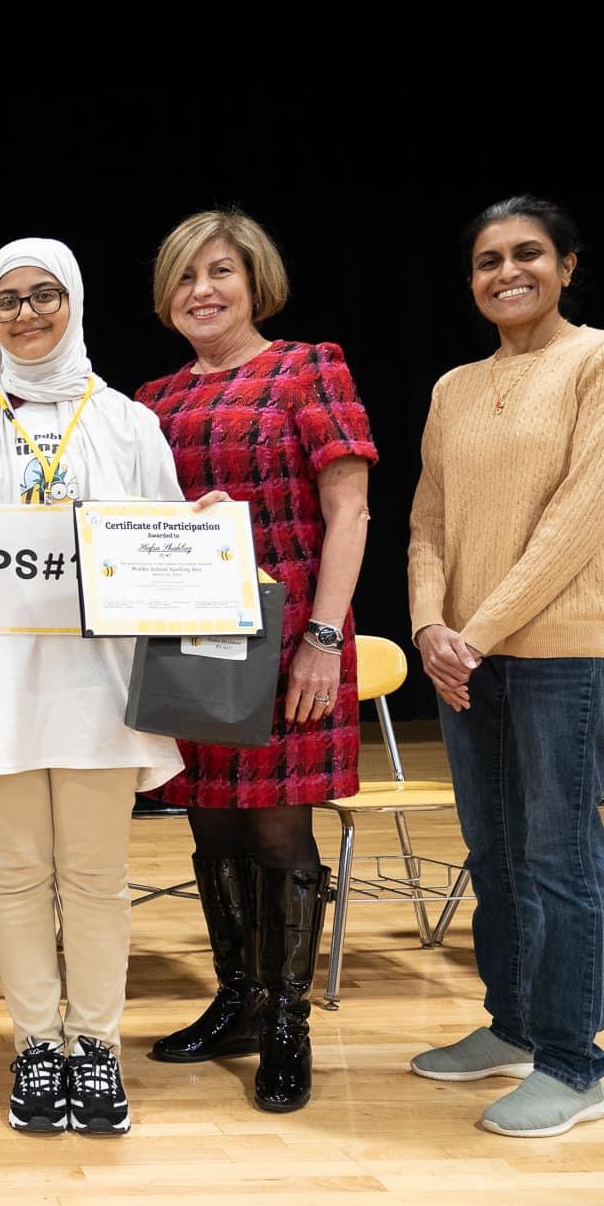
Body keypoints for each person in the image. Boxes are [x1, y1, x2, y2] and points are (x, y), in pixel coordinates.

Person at [0, 238, 183, 1135]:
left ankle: (94, 1046)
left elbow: (168, 545)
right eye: (7, 300)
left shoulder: (129, 423)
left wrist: (197, 531)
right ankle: (34, 1045)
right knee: (15, 876)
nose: (26, 314)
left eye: (44, 295)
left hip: (101, 681)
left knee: (95, 876)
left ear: (76, 302)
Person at [406, 196, 604, 1137]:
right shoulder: (453, 386)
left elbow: (580, 517)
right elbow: (428, 520)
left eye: (528, 254)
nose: (507, 272)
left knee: (559, 859)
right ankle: (510, 1026)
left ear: (567, 265)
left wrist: (475, 630)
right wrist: (430, 624)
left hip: (562, 653)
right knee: (495, 852)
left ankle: (572, 1064)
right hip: (466, 657)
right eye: (488, 260)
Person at [133, 210, 377, 1113]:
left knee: (278, 832)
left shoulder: (308, 368)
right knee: (212, 827)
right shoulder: (151, 400)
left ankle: (287, 1020)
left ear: (255, 281)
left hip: (290, 640)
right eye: (185, 275)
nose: (202, 290)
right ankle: (237, 999)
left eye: (220, 271)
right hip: (190, 639)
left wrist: (324, 636)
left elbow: (349, 511)